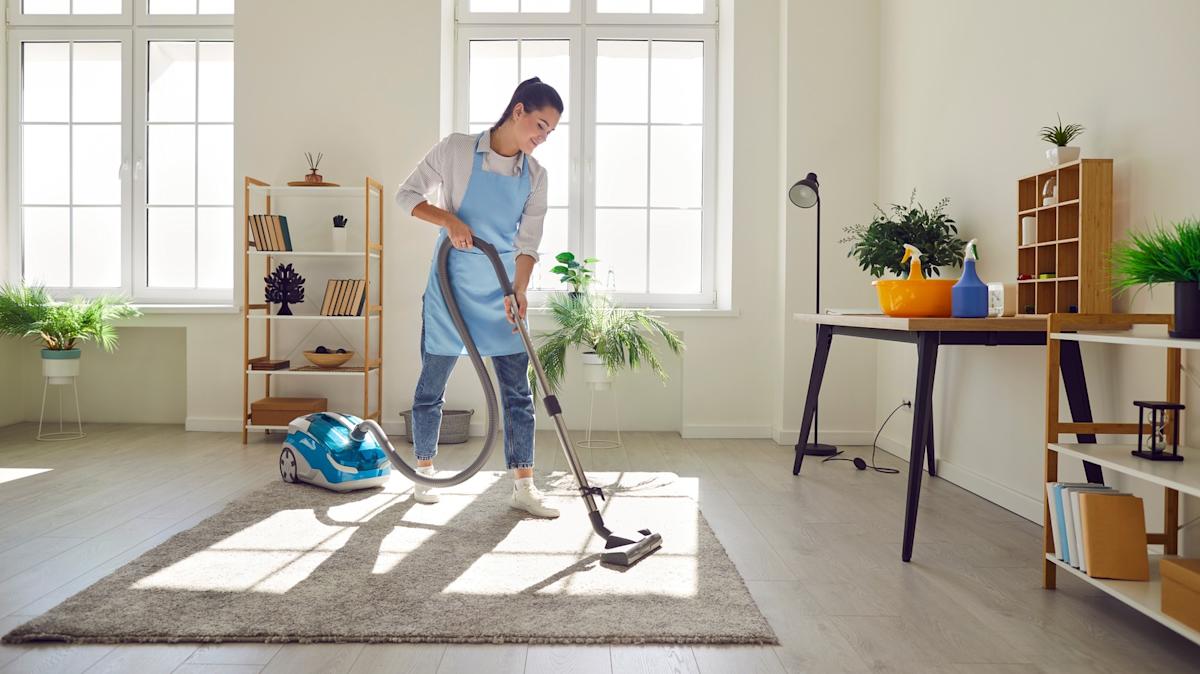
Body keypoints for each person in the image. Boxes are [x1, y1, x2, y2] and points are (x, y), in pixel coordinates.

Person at [395, 77, 563, 517]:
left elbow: (528, 244)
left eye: (550, 133)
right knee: (433, 384)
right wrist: (448, 220)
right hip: (450, 287)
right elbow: (406, 195)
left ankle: (523, 486)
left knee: (517, 394)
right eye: (540, 126)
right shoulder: (455, 150)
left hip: (503, 291)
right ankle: (425, 471)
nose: (543, 138)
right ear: (518, 111)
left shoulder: (536, 177)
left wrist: (520, 290)